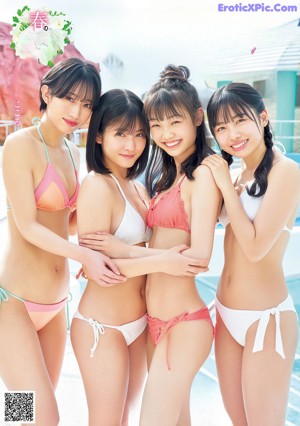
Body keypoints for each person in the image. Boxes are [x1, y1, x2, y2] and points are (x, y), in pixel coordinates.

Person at [71, 88, 209, 426]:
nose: (131, 145)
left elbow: (132, 251)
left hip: (139, 324)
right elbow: (97, 268)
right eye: (120, 134)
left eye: (139, 135)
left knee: (126, 418)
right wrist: (163, 261)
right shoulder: (96, 185)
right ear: (99, 135)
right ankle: (17, 415)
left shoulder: (138, 188)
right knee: (37, 406)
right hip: (96, 324)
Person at [0, 58, 125, 426]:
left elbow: (66, 223)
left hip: (56, 305)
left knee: (25, 413)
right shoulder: (19, 146)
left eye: (87, 104)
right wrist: (84, 254)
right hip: (15, 305)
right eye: (69, 98)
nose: (77, 111)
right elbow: (27, 225)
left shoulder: (73, 153)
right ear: (46, 93)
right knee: (43, 417)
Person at [202, 82, 300, 426]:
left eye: (240, 121)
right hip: (226, 315)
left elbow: (256, 248)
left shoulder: (285, 171)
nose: (232, 134)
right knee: (238, 420)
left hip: (265, 319)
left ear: (263, 117)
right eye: (221, 128)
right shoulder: (238, 174)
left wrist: (225, 187)